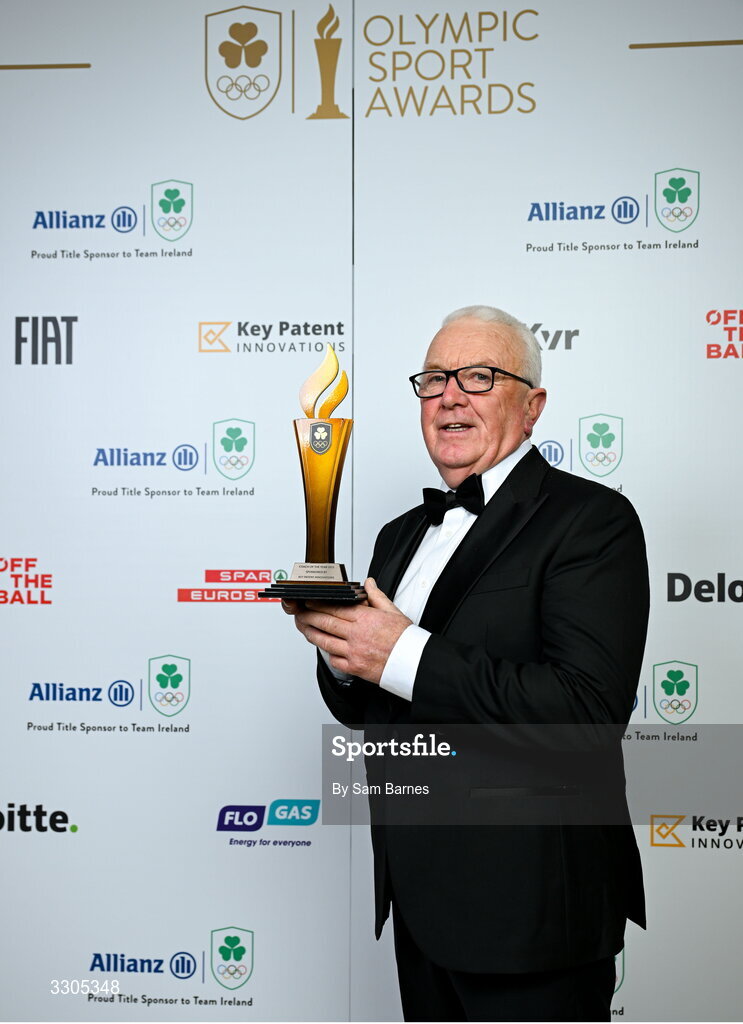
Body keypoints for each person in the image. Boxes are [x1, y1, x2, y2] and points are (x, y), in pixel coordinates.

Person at [283, 305, 649, 1022]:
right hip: (420, 908)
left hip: (535, 914)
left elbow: (585, 712)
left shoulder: (592, 520)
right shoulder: (399, 534)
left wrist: (402, 652)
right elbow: (373, 706)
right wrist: (342, 657)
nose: (449, 395)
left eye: (479, 376)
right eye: (432, 380)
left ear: (531, 404)